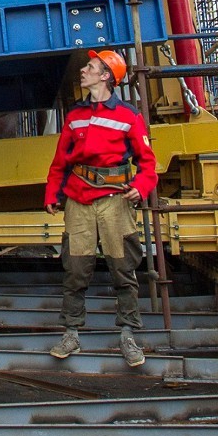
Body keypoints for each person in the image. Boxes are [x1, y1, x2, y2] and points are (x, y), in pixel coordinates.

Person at [43, 48, 158, 367]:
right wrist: (52, 193)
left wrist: (140, 187)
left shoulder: (128, 115)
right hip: (79, 201)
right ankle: (71, 334)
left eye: (91, 67)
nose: (83, 70)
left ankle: (128, 336)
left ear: (106, 76)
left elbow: (148, 164)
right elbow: (60, 160)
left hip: (115, 202)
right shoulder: (75, 116)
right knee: (75, 270)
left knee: (123, 269)